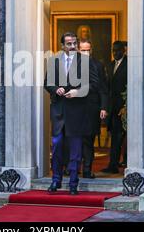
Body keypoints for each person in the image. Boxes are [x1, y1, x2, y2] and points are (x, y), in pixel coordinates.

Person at [44, 32, 99, 195]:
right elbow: (47, 83)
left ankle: (73, 183)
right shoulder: (54, 61)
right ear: (62, 46)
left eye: (74, 43)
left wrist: (78, 91)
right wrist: (56, 89)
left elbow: (95, 84)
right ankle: (56, 181)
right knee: (57, 147)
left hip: (77, 111)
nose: (73, 46)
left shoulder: (86, 61)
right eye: (69, 43)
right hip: (59, 112)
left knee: (76, 150)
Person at [78, 39, 108, 179]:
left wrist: (103, 107)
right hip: (75, 107)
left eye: (88, 50)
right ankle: (73, 169)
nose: (85, 52)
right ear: (78, 50)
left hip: (92, 107)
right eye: (83, 50)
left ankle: (87, 170)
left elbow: (103, 88)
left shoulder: (98, 65)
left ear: (91, 50)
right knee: (75, 140)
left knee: (89, 140)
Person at [102, 41, 127, 174]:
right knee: (115, 137)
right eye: (113, 50)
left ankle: (120, 164)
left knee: (121, 137)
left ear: (124, 50)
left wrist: (126, 106)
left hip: (123, 109)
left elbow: (131, 86)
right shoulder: (110, 65)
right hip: (112, 108)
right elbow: (108, 87)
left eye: (118, 50)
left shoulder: (129, 64)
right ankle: (113, 164)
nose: (115, 53)